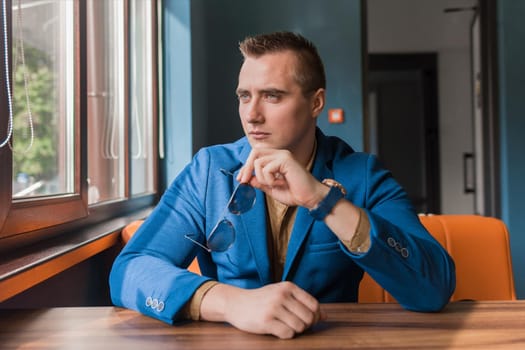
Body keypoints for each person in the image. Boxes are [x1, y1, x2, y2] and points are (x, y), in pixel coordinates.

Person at [109, 31, 456, 339]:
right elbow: (130, 270)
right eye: (245, 96)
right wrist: (231, 304)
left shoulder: (361, 174)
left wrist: (326, 201)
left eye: (272, 96)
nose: (252, 114)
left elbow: (433, 288)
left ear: (316, 102)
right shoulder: (209, 170)